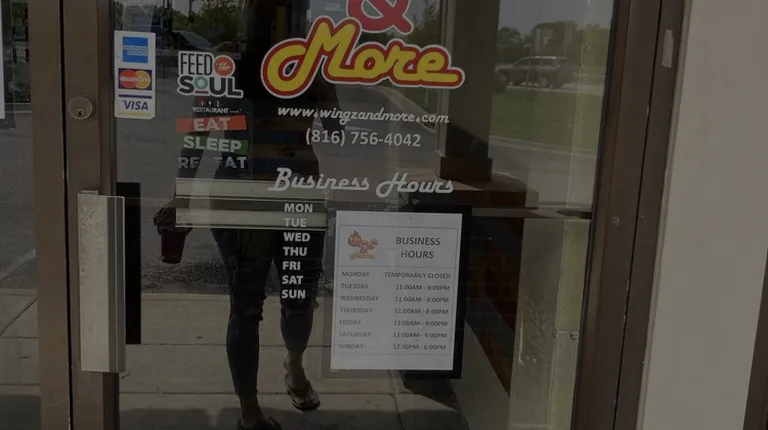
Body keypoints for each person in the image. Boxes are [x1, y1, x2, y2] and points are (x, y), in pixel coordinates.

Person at [154, 1, 342, 429]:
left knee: (297, 298)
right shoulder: (231, 60)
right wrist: (182, 195)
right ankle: (250, 409)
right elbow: (199, 132)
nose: (282, 19)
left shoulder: (307, 61)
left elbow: (335, 128)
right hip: (245, 197)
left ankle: (292, 367)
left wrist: (322, 85)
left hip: (291, 196)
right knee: (250, 306)